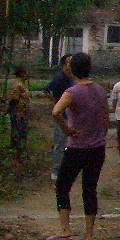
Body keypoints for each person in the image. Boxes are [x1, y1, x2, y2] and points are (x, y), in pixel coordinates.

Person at [45, 52, 109, 240]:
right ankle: (89, 233)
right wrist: (100, 134)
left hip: (77, 148)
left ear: (72, 70)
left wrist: (67, 130)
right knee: (89, 189)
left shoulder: (72, 92)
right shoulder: (99, 90)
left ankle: (65, 229)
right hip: (97, 147)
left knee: (63, 185)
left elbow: (56, 111)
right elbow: (106, 118)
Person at [45, 54, 75, 182]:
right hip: (61, 116)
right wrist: (57, 103)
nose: (71, 65)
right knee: (59, 142)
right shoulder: (59, 79)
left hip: (72, 116)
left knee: (70, 143)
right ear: (63, 66)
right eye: (69, 62)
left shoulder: (73, 79)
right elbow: (46, 90)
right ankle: (56, 170)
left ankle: (67, 169)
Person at [6, 65, 31, 169]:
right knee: (17, 135)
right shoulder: (17, 85)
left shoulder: (22, 84)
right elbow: (13, 100)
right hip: (18, 114)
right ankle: (16, 158)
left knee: (22, 134)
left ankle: (20, 157)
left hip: (22, 114)